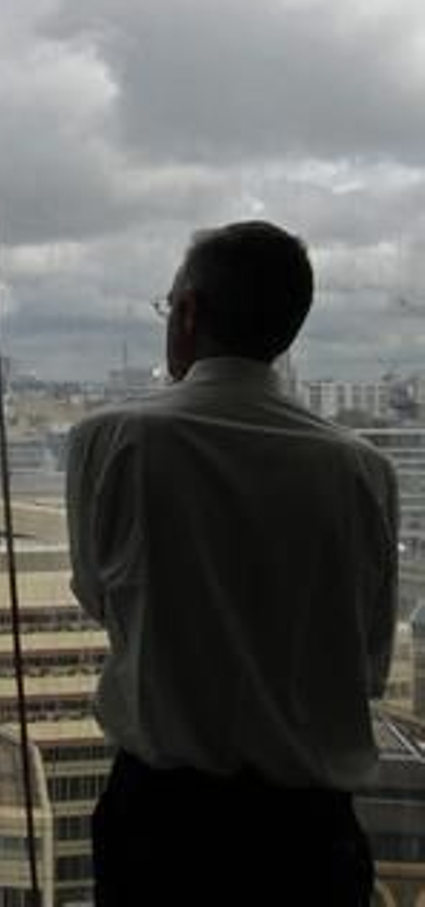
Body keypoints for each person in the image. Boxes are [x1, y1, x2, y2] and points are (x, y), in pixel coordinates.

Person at [65, 221, 398, 905]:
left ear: (188, 312)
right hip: (307, 834)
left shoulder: (112, 439)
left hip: (164, 826)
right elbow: (368, 661)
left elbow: (99, 596)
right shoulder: (363, 470)